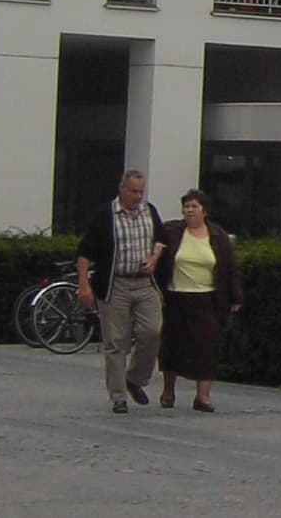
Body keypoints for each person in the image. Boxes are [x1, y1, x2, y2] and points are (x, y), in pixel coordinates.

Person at [74, 169, 165, 414]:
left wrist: (154, 258)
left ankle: (135, 378)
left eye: (141, 192)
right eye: (133, 191)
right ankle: (118, 396)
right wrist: (84, 284)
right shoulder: (106, 215)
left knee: (152, 332)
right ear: (121, 189)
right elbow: (85, 252)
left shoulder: (150, 211)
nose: (137, 197)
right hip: (116, 284)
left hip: (144, 283)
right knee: (116, 342)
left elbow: (161, 239)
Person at [151, 189, 241, 413]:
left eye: (194, 207)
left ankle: (202, 396)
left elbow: (229, 268)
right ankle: (168, 391)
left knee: (207, 345)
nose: (189, 211)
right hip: (176, 296)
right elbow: (158, 251)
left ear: (204, 211)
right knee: (172, 344)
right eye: (186, 207)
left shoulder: (218, 237)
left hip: (207, 298)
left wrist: (235, 296)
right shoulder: (172, 232)